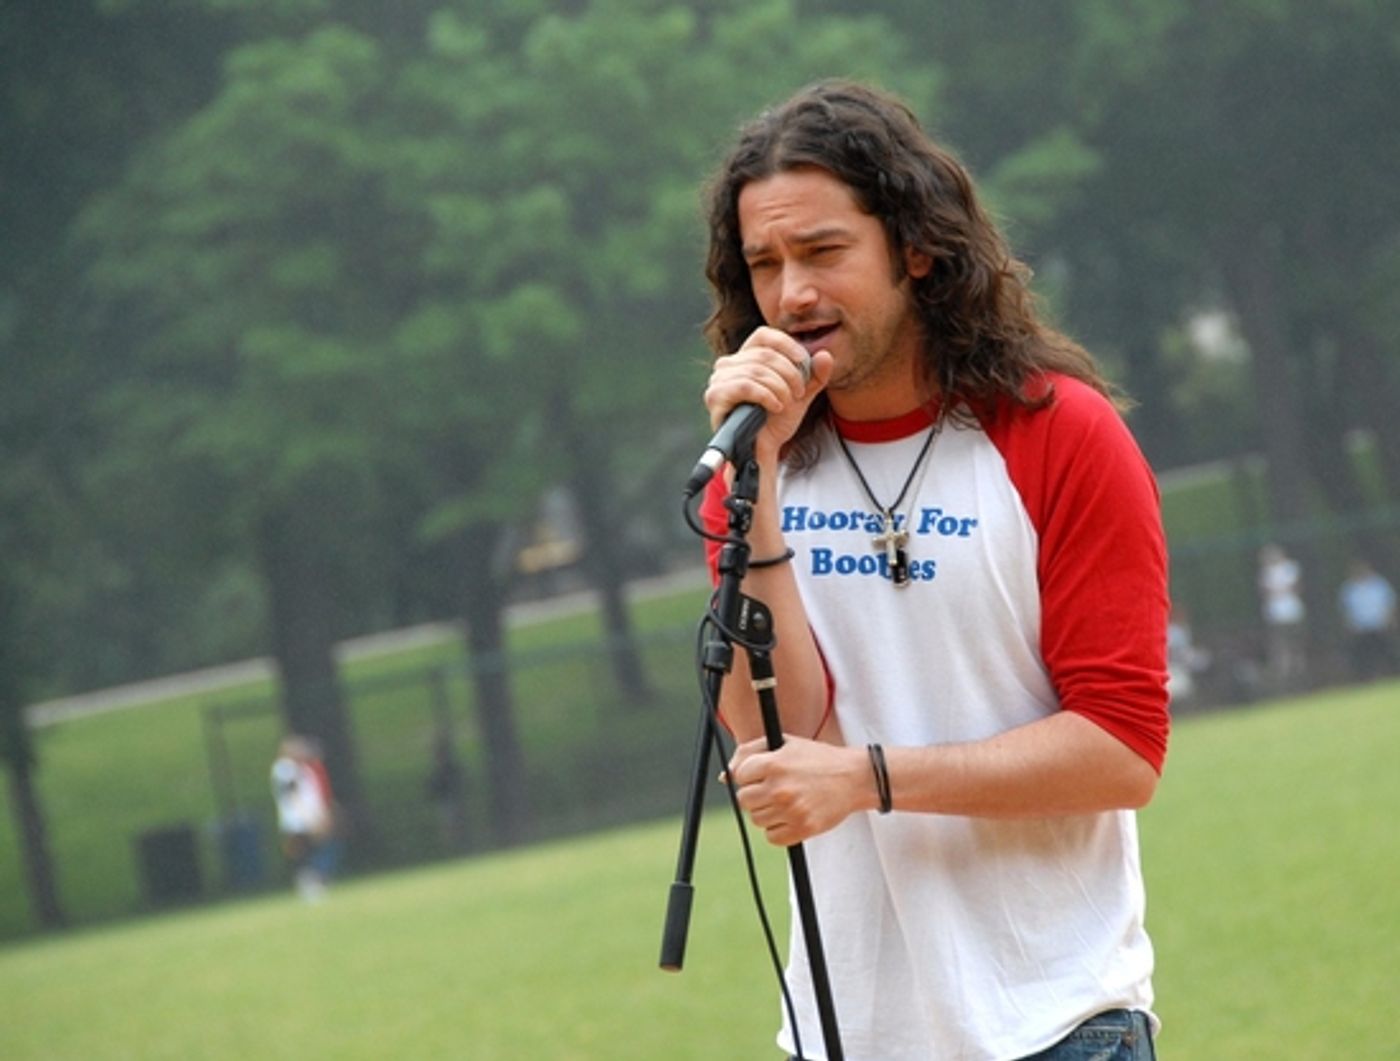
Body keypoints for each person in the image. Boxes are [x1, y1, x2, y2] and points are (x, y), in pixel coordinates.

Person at [697, 81, 1168, 1060]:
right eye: (765, 263)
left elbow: (1120, 749)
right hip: (843, 1033)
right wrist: (762, 480)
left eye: (823, 251)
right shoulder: (747, 473)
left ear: (915, 247)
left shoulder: (1060, 435)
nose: (791, 294)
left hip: (1056, 1023)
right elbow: (772, 731)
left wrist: (867, 778)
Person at [270, 735, 336, 902]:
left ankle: (314, 879)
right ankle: (310, 881)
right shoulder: (286, 769)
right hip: (298, 819)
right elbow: (293, 796)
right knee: (306, 850)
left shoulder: (303, 768)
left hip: (305, 816)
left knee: (314, 848)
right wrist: (308, 816)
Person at [1257, 543, 1307, 692]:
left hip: (1293, 613)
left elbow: (1296, 587)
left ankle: (1300, 678)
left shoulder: (1290, 568)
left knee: (1297, 647)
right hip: (1275, 616)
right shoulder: (1265, 572)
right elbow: (1264, 591)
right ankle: (1285, 682)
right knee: (1280, 649)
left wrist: (1278, 590)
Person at [1337, 558, 1397, 681]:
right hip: (1360, 627)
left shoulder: (1379, 584)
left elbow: (1389, 603)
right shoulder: (1349, 588)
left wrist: (1390, 619)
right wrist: (1349, 624)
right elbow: (1345, 608)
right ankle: (1367, 676)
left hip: (1379, 625)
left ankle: (1392, 673)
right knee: (1364, 654)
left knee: (1385, 651)